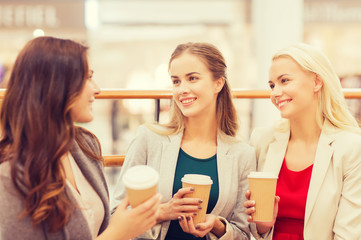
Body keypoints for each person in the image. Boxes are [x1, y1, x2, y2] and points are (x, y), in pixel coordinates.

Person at [0, 36, 160, 240]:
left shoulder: (85, 144)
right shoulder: (11, 173)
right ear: (55, 85)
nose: (97, 89)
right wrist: (117, 233)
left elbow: (99, 226)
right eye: (87, 77)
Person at [111, 42, 256, 240]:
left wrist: (217, 224)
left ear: (218, 83)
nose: (182, 89)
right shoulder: (149, 139)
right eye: (176, 81)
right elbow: (115, 216)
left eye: (192, 78)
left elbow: (244, 234)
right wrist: (163, 212)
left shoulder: (242, 153)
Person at [244, 43, 361, 240]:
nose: (274, 93)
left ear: (316, 82)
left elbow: (349, 234)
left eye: (284, 81)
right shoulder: (262, 140)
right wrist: (262, 227)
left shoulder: (351, 148)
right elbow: (250, 230)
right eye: (272, 85)